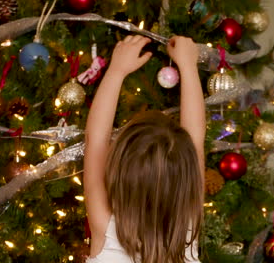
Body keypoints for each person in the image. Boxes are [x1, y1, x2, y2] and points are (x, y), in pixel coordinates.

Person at [84, 35, 205, 263]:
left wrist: (116, 71)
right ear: (187, 182)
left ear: (118, 174)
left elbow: (97, 141)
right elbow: (195, 139)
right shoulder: (188, 229)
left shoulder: (107, 228)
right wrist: (189, 66)